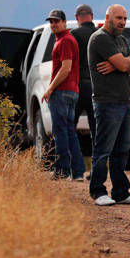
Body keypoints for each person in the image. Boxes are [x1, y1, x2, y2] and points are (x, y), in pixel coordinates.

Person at [87, 4, 130, 206]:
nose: (122, 22)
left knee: (122, 149)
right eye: (118, 18)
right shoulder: (100, 38)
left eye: (124, 19)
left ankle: (121, 192)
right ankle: (98, 191)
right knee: (103, 149)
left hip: (123, 101)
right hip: (106, 102)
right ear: (108, 17)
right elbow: (126, 65)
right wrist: (127, 61)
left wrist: (125, 62)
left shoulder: (121, 39)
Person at [40, 9, 86, 181]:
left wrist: (50, 89)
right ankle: (78, 171)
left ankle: (62, 170)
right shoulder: (63, 39)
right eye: (51, 22)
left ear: (65, 23)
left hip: (62, 91)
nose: (53, 24)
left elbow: (66, 68)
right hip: (72, 91)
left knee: (60, 132)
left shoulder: (65, 41)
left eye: (57, 21)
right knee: (69, 132)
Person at [70, 4, 97, 152]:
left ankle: (71, 166)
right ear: (91, 16)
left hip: (78, 86)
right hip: (97, 87)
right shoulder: (100, 34)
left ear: (76, 18)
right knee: (96, 129)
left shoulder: (74, 34)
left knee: (70, 126)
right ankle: (96, 169)